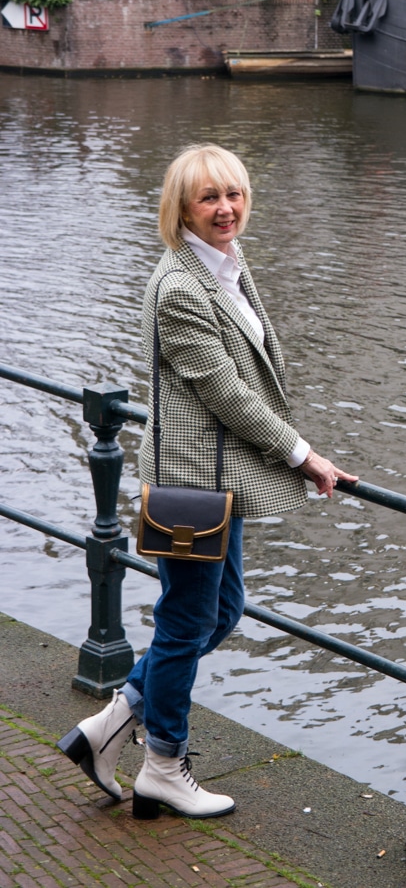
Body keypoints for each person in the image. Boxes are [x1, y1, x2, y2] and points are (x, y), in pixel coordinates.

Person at [57, 144, 358, 820]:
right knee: (186, 620)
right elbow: (227, 393)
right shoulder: (180, 287)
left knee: (217, 614)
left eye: (234, 194)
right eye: (208, 198)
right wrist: (304, 454)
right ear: (180, 208)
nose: (225, 208)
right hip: (195, 487)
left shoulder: (223, 268)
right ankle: (163, 763)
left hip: (222, 481)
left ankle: (111, 722)